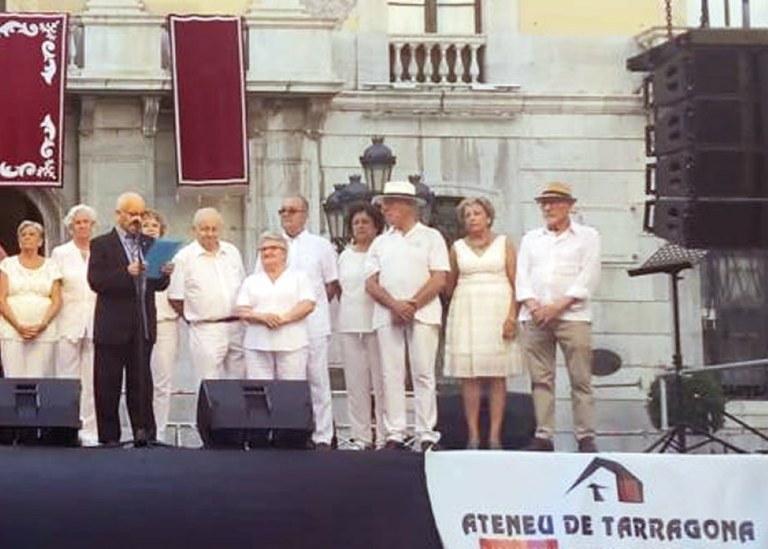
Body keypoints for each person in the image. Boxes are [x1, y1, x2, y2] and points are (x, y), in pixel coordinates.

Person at [516, 182, 601, 453]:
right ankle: (544, 435)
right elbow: (522, 276)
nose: (548, 207)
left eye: (553, 202)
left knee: (580, 378)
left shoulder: (587, 236)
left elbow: (588, 276)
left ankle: (585, 436)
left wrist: (557, 306)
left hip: (573, 316)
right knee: (541, 379)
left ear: (569, 206)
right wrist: (534, 304)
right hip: (535, 316)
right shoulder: (531, 238)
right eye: (544, 203)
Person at [365, 181, 449, 452]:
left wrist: (411, 304)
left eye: (391, 203)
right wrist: (394, 306)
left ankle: (426, 433)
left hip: (423, 313)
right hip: (387, 314)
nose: (385, 208)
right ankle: (395, 433)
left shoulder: (431, 237)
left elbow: (439, 278)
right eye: (385, 203)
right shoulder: (380, 242)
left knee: (423, 372)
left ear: (408, 206)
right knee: (391, 374)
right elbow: (371, 282)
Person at [88, 192, 172, 445]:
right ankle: (109, 439)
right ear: (119, 215)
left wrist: (164, 273)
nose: (136, 219)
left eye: (140, 214)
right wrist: (127, 273)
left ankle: (144, 435)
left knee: (141, 386)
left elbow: (157, 285)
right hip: (111, 327)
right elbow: (96, 281)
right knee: (107, 387)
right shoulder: (101, 244)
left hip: (141, 326)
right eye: (132, 213)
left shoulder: (149, 243)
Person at [444, 197, 522, 450]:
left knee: (497, 375)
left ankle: (495, 436)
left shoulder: (504, 243)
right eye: (467, 215)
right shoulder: (457, 247)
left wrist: (512, 316)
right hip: (467, 310)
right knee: (470, 376)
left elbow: (515, 282)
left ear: (488, 217)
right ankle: (474, 435)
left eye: (477, 213)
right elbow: (449, 284)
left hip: (498, 308)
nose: (472, 218)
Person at [276, 195, 339, 450]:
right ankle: (292, 433)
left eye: (292, 210)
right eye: (283, 210)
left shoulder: (321, 246)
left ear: (305, 214)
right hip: (281, 324)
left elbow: (331, 284)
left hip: (313, 322)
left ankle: (323, 435)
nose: (287, 215)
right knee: (288, 380)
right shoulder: (272, 244)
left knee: (317, 378)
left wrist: (312, 307)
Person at [168, 207, 246, 381]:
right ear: (194, 230)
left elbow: (242, 285)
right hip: (206, 329)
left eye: (214, 228)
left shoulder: (232, 252)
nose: (210, 233)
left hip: (237, 327)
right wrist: (195, 318)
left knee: (241, 382)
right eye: (204, 229)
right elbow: (175, 297)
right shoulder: (183, 258)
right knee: (209, 383)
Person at [337, 202, 386, 450]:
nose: (360, 226)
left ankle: (385, 436)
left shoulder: (381, 251)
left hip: (377, 323)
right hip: (349, 324)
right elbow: (339, 289)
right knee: (356, 384)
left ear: (377, 225)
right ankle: (361, 436)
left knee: (381, 382)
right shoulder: (344, 255)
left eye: (366, 222)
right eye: (356, 222)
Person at [236, 232, 315, 380]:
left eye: (273, 248)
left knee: (291, 392)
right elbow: (242, 310)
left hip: (292, 344)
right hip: (257, 345)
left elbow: (308, 304)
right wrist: (262, 317)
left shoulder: (299, 277)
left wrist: (282, 319)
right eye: (263, 249)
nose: (268, 252)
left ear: (284, 253)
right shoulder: (251, 280)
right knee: (260, 393)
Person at [51, 204, 99, 446]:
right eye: (78, 222)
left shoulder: (101, 250)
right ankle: (66, 429)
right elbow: (55, 289)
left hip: (95, 322)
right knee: (66, 378)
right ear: (71, 226)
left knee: (92, 380)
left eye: (86, 222)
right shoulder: (60, 253)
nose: (82, 226)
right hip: (68, 322)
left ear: (93, 225)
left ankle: (90, 431)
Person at [0, 220, 62, 377]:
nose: (27, 237)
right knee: (14, 377)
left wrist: (43, 323)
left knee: (40, 377)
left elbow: (57, 300)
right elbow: (1, 298)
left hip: (43, 331)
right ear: (19, 241)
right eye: (23, 235)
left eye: (32, 234)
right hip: (12, 331)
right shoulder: (7, 264)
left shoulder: (51, 265)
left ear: (40, 241)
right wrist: (18, 326)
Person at [142, 209, 180, 443]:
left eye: (154, 226)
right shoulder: (131, 254)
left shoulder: (174, 257)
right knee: (141, 379)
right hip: (139, 320)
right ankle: (142, 428)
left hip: (165, 321)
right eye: (146, 225)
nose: (150, 229)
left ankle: (161, 431)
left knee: (162, 379)